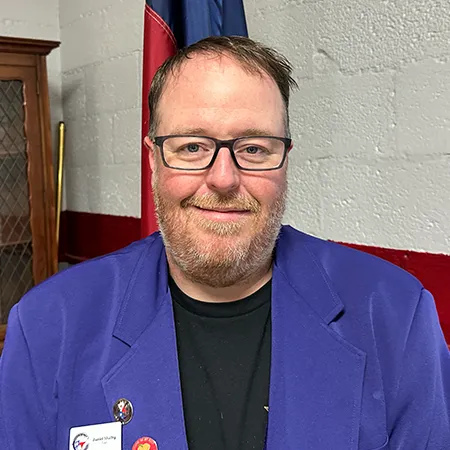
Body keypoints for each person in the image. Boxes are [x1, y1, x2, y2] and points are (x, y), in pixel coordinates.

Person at [0, 36, 449, 450]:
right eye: (192, 147)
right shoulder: (48, 327)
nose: (223, 178)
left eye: (254, 148)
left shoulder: (395, 316)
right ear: (153, 160)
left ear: (284, 161)